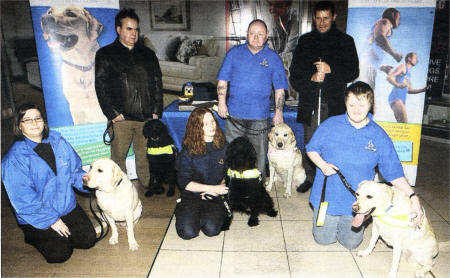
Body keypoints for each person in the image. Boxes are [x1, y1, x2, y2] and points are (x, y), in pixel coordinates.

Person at [306, 81, 424, 250]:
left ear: (371, 105)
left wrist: (413, 197)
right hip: (327, 196)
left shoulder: (378, 135)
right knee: (323, 239)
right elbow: (311, 149)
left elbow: (394, 174)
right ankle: (328, 224)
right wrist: (322, 165)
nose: (356, 109)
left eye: (362, 104)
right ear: (345, 103)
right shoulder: (330, 125)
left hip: (359, 202)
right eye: (351, 104)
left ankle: (347, 223)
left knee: (352, 243)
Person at [1, 103, 96, 263]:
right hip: (37, 213)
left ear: (43, 121)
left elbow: (74, 171)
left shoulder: (58, 140)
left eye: (37, 118)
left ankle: (59, 232)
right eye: (27, 120)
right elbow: (23, 199)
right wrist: (51, 220)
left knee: (87, 240)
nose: (34, 123)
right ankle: (31, 234)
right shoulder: (13, 159)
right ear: (19, 126)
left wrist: (92, 183)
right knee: (60, 254)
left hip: (65, 205)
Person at [289, 1, 359, 193]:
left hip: (335, 102)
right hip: (310, 101)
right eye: (318, 18)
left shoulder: (346, 41)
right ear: (313, 18)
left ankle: (334, 180)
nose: (322, 22)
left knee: (335, 143)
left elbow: (353, 71)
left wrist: (331, 69)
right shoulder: (305, 41)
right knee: (312, 142)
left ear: (334, 17)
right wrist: (311, 78)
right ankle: (311, 178)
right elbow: (294, 75)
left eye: (326, 18)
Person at [95, 8, 163, 190]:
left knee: (145, 156)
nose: (134, 34)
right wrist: (113, 113)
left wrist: (156, 110)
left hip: (146, 117)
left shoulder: (148, 54)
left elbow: (157, 83)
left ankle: (149, 185)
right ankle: (119, 189)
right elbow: (100, 87)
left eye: (136, 29)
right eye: (129, 29)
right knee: (118, 157)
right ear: (118, 29)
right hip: (121, 119)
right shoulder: (105, 54)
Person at [217, 19, 289, 179]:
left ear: (267, 36)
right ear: (246, 35)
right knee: (234, 154)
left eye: (260, 34)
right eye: (252, 34)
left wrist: (279, 112)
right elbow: (222, 82)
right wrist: (221, 103)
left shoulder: (273, 58)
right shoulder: (234, 54)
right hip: (234, 116)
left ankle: (258, 189)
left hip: (259, 118)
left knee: (259, 156)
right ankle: (232, 186)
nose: (256, 37)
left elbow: (279, 89)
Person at [175, 107, 229, 240]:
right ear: (197, 128)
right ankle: (182, 210)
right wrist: (211, 189)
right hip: (192, 194)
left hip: (214, 196)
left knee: (212, 230)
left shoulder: (223, 145)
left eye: (212, 121)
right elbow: (185, 182)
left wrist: (217, 190)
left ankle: (208, 214)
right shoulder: (188, 151)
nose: (211, 126)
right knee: (188, 233)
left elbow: (229, 173)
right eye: (205, 124)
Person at [359, 8, 402, 90]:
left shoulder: (382, 25)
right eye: (399, 18)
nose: (399, 22)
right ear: (393, 15)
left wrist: (382, 67)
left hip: (366, 68)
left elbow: (371, 54)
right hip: (367, 69)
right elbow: (379, 37)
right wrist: (394, 54)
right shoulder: (386, 21)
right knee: (367, 99)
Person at [385, 52, 426, 123]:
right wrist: (398, 85)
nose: (417, 60)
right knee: (404, 123)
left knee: (402, 124)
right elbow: (389, 77)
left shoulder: (408, 74)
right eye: (415, 58)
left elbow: (409, 90)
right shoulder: (403, 67)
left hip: (401, 100)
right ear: (409, 59)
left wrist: (423, 90)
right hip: (396, 98)